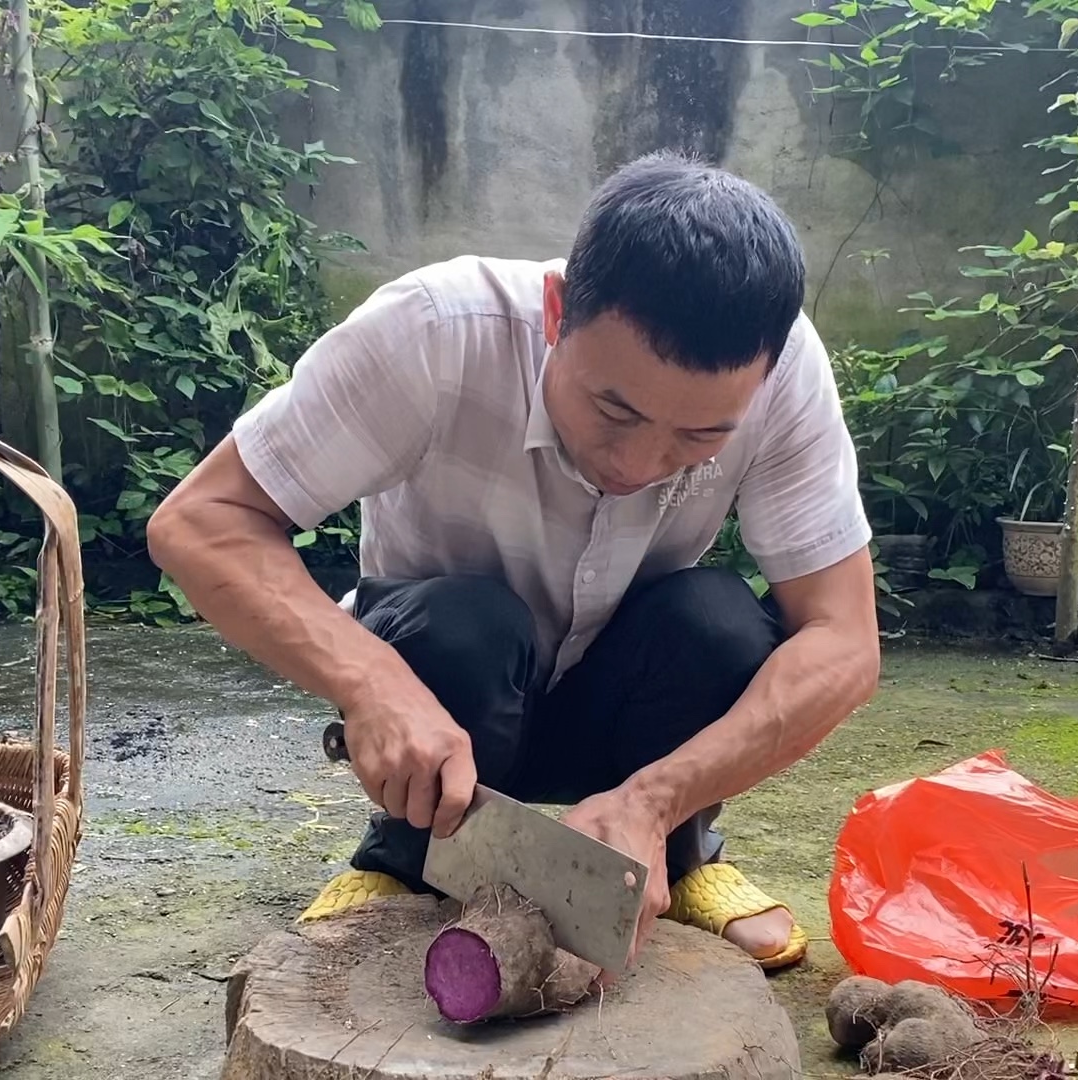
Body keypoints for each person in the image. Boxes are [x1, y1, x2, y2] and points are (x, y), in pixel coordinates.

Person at [147, 150, 882, 976]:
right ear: (558, 310)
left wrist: (657, 796)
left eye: (701, 436)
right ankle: (404, 862)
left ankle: (673, 853)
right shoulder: (431, 332)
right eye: (615, 408)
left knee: (716, 622)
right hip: (449, 693)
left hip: (624, 706)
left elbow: (844, 640)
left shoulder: (783, 375)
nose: (641, 463)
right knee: (467, 626)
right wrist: (368, 682)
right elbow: (202, 522)